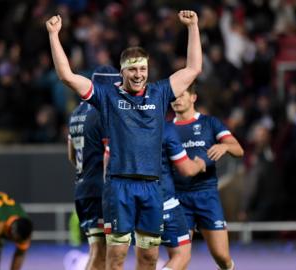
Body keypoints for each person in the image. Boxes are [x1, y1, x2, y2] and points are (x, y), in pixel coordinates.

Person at [46, 10, 202, 270]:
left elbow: (194, 68)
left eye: (143, 68)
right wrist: (54, 35)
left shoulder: (159, 92)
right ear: (122, 72)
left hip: (152, 187)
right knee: (116, 256)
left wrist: (193, 27)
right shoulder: (107, 97)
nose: (139, 74)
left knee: (149, 257)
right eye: (133, 69)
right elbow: (67, 76)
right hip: (119, 188)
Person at [170, 85, 244, 270]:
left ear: (193, 97)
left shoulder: (210, 123)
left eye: (181, 95)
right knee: (181, 258)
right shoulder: (166, 128)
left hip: (207, 195)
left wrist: (225, 147)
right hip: (178, 199)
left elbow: (239, 149)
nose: (176, 99)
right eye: (173, 96)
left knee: (222, 257)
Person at [67, 65, 120, 270]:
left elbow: (70, 154)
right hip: (100, 190)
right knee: (101, 254)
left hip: (83, 188)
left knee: (100, 252)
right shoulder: (104, 112)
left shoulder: (77, 113)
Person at [159, 122, 206, 270]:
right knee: (182, 255)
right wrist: (199, 164)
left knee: (145, 261)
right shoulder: (165, 128)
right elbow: (187, 170)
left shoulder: (123, 124)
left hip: (133, 201)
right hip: (163, 200)